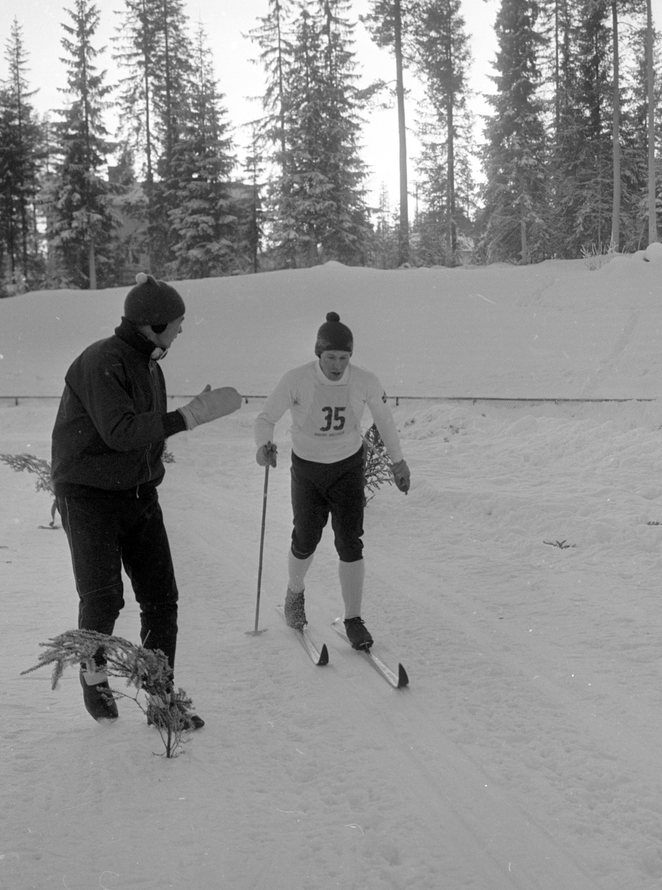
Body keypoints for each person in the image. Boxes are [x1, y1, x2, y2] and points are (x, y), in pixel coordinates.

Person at [51, 273, 243, 723]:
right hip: (88, 496)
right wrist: (188, 417)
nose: (180, 330)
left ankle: (160, 699)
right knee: (103, 599)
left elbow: (144, 430)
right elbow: (119, 431)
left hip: (139, 494)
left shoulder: (149, 363)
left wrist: (171, 433)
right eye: (176, 322)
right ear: (153, 325)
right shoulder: (102, 361)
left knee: (161, 599)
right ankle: (93, 676)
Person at [254, 312, 410, 651]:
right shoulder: (297, 379)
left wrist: (399, 462)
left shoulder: (364, 380)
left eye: (344, 357)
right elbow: (266, 417)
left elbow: (384, 419)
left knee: (350, 540)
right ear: (318, 354)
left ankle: (354, 618)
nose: (337, 365)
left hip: (347, 468)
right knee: (306, 537)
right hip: (308, 470)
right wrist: (263, 446)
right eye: (331, 357)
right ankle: (295, 592)